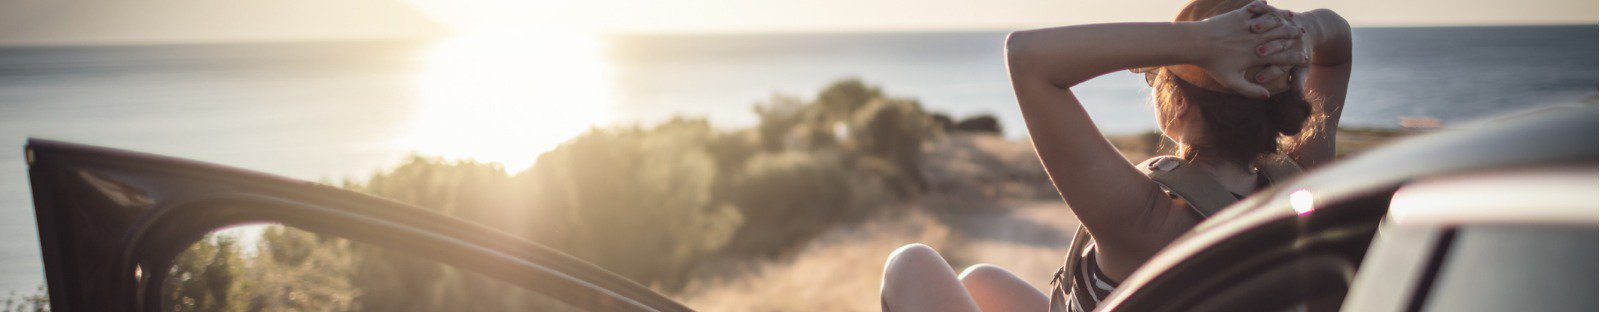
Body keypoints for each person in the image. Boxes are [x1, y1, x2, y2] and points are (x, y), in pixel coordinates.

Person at [879, 0, 1352, 311]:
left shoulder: (1150, 219)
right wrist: (1296, 32)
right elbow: (1340, 43)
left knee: (910, 263)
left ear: (1181, 104)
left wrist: (1202, 42)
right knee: (981, 281)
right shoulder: (1300, 182)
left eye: (1157, 78)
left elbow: (1027, 56)